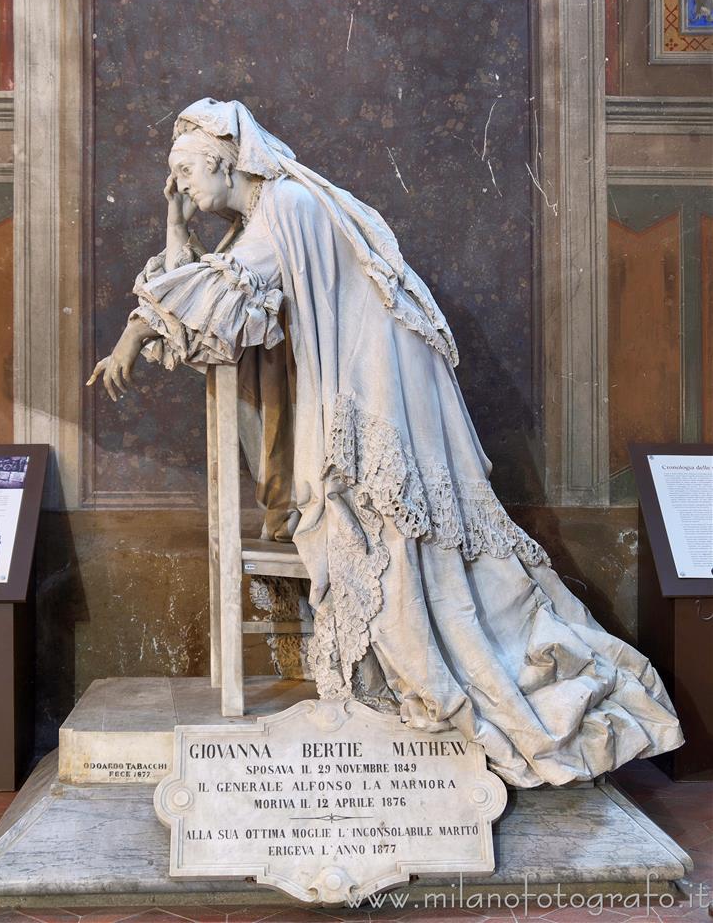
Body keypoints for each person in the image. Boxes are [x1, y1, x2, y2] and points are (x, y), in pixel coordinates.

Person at [88, 98, 683, 788]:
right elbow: (209, 292)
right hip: (365, 371)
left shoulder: (287, 208)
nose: (181, 188)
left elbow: (212, 296)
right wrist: (171, 225)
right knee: (373, 529)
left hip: (379, 376)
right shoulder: (269, 213)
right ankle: (404, 661)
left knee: (390, 529)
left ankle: (444, 669)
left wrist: (135, 332)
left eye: (186, 174)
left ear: (225, 161)